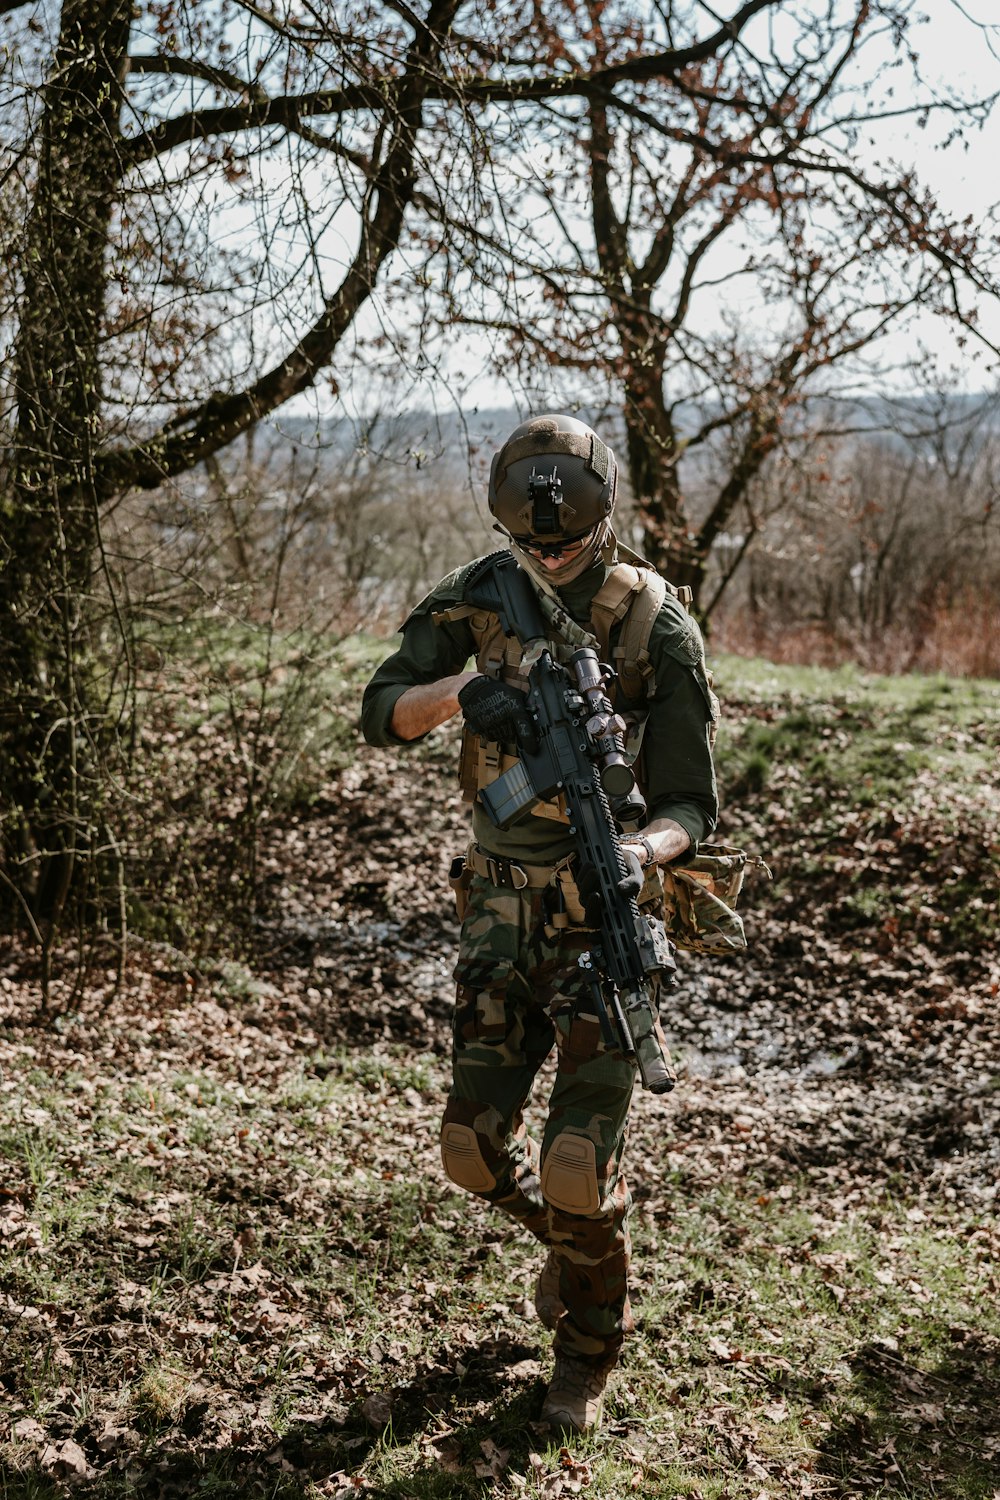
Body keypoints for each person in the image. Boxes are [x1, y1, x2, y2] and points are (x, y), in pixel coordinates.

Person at [361, 414, 718, 1433]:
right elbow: (379, 712)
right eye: (532, 528)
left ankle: (587, 1352)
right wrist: (462, 693)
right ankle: (576, 1246)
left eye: (567, 526)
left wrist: (641, 851)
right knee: (469, 1151)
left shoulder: (653, 623)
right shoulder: (476, 599)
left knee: (573, 1160)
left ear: (601, 509)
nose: (549, 544)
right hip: (498, 918)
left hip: (605, 918)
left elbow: (693, 805)